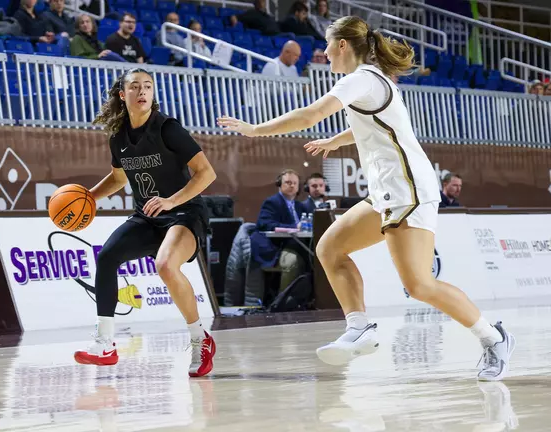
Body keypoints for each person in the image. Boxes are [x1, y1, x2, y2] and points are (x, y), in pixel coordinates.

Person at [217, 16, 514, 381]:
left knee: (420, 284)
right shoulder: (369, 81)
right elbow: (369, 124)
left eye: (327, 45)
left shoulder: (360, 79)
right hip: (385, 192)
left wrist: (256, 130)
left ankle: (494, 337)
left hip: (408, 191)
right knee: (329, 249)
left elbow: (311, 114)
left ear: (343, 45)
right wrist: (336, 141)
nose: (324, 53)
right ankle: (359, 327)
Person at [74, 68, 217, 377]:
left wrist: (171, 201)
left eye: (148, 86)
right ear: (122, 95)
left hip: (185, 213)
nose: (142, 91)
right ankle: (105, 344)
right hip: (147, 217)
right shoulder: (119, 137)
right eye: (135, 87)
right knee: (108, 256)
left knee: (166, 265)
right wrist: (87, 198)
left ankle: (199, 339)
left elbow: (206, 173)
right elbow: (117, 178)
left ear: (153, 93)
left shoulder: (167, 128)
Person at [249, 170, 308, 296]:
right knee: (293, 262)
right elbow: (265, 224)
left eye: (294, 183)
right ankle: (282, 301)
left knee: (314, 259)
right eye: (288, 182)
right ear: (279, 184)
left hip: (295, 245)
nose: (292, 185)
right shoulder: (271, 202)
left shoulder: (299, 206)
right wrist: (293, 227)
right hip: (274, 247)